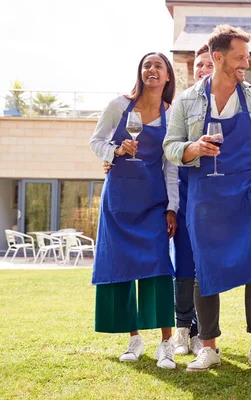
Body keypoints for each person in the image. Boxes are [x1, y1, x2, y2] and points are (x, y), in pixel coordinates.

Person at [163, 25, 251, 375]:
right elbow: (170, 147)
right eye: (240, 57)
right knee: (205, 269)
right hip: (207, 195)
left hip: (249, 194)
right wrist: (193, 148)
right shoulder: (188, 100)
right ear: (218, 58)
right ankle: (210, 347)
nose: (246, 62)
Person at [89, 52, 179, 369]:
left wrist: (172, 207)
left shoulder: (172, 115)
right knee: (122, 267)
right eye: (146, 65)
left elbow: (170, 168)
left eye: (158, 65)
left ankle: (167, 344)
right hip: (118, 202)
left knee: (158, 268)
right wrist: (115, 149)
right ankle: (135, 338)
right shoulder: (117, 106)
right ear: (140, 73)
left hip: (153, 203)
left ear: (168, 76)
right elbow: (96, 140)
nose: (151, 69)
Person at [170, 44, 214, 357]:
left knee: (207, 266)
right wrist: (172, 204)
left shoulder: (231, 107)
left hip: (216, 197)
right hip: (186, 192)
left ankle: (204, 332)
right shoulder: (181, 106)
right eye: (198, 65)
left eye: (207, 65)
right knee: (184, 262)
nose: (201, 69)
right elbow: (170, 157)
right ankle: (183, 328)